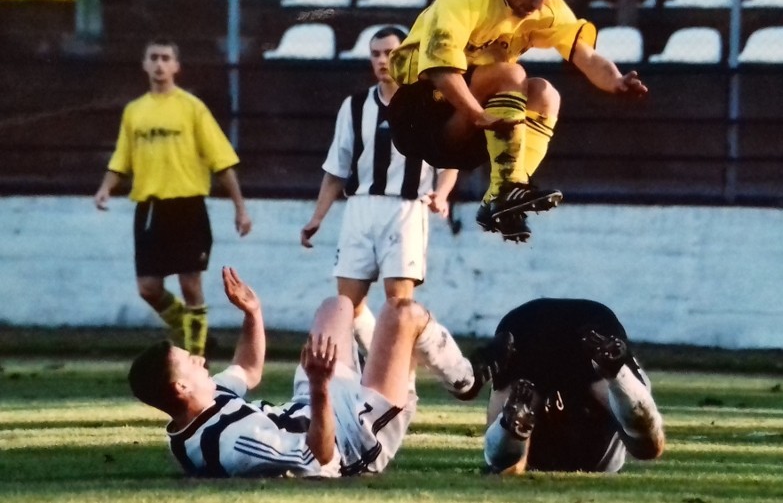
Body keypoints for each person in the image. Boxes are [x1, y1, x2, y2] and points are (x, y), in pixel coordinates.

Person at [387, 0, 648, 243]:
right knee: (511, 75)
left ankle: (502, 198)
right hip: (420, 111)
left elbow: (586, 56)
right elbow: (442, 71)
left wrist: (615, 81)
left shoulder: (545, 7)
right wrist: (475, 113)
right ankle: (507, 191)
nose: (538, 6)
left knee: (545, 94)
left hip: (474, 122)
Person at [128, 267, 513, 477]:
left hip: (310, 404)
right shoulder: (232, 444)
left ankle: (387, 353)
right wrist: (319, 385)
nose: (201, 360)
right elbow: (321, 456)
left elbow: (247, 368)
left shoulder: (200, 405)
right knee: (403, 312)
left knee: (338, 305)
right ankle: (466, 379)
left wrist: (253, 313)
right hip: (350, 439)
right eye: (190, 361)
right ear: (180, 387)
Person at [300, 26, 458, 352]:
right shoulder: (355, 106)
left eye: (390, 53)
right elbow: (336, 170)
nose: (382, 60)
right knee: (348, 306)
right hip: (359, 210)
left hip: (406, 210)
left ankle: (406, 389)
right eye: (376, 54)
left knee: (398, 307)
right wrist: (317, 218)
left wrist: (441, 196)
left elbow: (449, 163)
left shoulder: (431, 105)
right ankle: (380, 369)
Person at [94, 39, 252, 357]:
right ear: (144, 64)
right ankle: (195, 331)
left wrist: (240, 208)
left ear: (176, 66)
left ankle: (197, 358)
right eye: (153, 57)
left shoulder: (191, 108)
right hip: (151, 207)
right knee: (148, 288)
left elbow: (221, 160)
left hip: (188, 206)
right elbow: (121, 159)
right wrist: (106, 187)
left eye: (166, 58)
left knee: (191, 285)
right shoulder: (135, 111)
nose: (159, 64)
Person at [475, 298, 665, 474]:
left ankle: (509, 426)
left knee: (505, 464)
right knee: (647, 447)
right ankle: (619, 376)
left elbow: (511, 468)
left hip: (526, 326)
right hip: (588, 325)